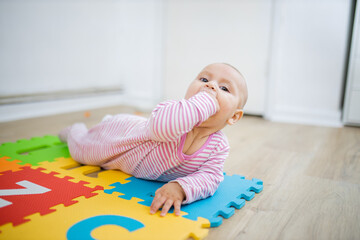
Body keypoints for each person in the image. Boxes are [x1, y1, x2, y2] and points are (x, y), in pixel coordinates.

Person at [59, 63, 248, 217]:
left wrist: (181, 187)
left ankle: (100, 122)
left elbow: (211, 177)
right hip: (119, 138)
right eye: (204, 79)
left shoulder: (218, 146)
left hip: (137, 157)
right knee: (82, 151)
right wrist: (202, 103)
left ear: (234, 117)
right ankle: (74, 131)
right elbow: (162, 129)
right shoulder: (172, 112)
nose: (210, 86)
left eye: (224, 88)